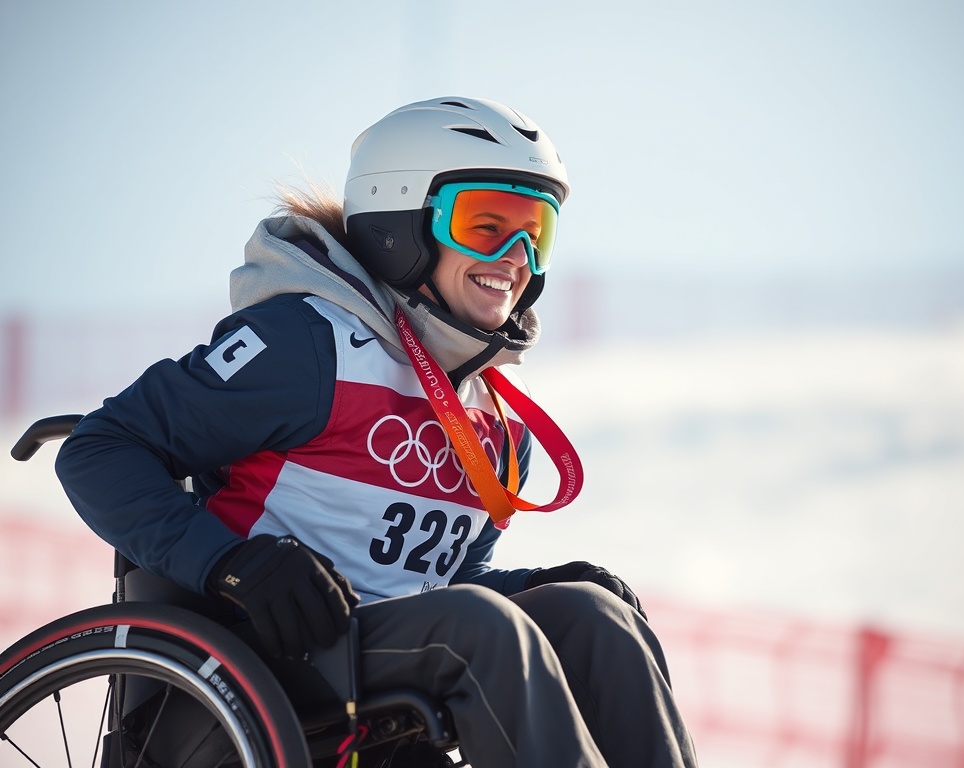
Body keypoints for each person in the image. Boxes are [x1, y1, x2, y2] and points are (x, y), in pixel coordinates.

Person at [55, 96, 698, 768]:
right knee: (481, 629)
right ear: (400, 224)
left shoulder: (497, 419)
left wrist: (537, 586)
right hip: (258, 658)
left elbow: (446, 581)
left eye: (534, 233)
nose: (515, 257)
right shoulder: (310, 345)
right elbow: (100, 449)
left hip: (386, 668)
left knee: (595, 618)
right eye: (486, 225)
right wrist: (231, 563)